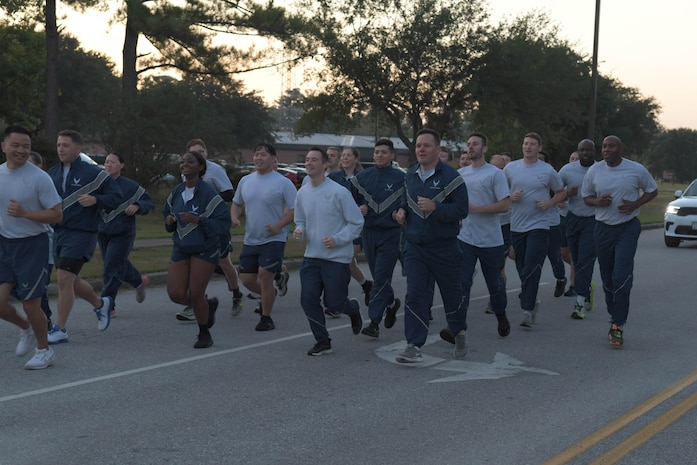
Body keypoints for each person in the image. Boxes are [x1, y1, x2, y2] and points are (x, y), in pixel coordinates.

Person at [393, 128, 469, 363]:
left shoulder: (452, 177)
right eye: (418, 146)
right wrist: (402, 210)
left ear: (438, 149)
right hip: (415, 245)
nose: (421, 149)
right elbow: (405, 199)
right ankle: (414, 345)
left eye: (426, 146)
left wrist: (437, 208)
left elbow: (462, 210)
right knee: (415, 294)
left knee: (452, 295)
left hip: (444, 247)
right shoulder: (410, 175)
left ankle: (459, 331)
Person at [46, 130, 122, 344]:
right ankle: (101, 305)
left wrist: (96, 200)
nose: (61, 149)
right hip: (59, 232)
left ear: (79, 149)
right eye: (59, 145)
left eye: (66, 145)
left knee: (63, 279)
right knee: (72, 280)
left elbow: (116, 196)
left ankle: (59, 329)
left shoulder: (94, 173)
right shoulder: (52, 173)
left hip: (82, 233)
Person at [581, 135, 657, 347]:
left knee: (621, 275)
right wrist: (597, 201)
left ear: (620, 148)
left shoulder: (636, 169)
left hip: (627, 228)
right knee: (608, 278)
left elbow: (652, 190)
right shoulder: (594, 170)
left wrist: (635, 204)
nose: (606, 149)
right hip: (602, 229)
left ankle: (617, 324)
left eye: (611, 146)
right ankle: (615, 313)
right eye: (604, 146)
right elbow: (586, 197)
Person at [0, 126, 63, 369]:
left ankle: (44, 350)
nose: (21, 150)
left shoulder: (39, 178)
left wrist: (26, 213)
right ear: (4, 146)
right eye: (16, 145)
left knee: (30, 303)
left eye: (26, 146)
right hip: (5, 245)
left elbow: (57, 215)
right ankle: (25, 327)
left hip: (33, 246)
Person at [441, 133, 511, 343]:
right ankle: (456, 328)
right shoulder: (459, 174)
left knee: (495, 284)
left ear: (485, 148)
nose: (471, 148)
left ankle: (501, 315)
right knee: (461, 283)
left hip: (491, 240)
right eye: (469, 144)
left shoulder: (495, 174)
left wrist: (476, 209)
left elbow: (504, 205)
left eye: (475, 144)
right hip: (465, 239)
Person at [294, 147, 364, 355]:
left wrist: (338, 239)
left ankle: (351, 309)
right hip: (311, 256)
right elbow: (300, 219)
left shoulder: (339, 192)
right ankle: (323, 340)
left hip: (336, 258)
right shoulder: (303, 192)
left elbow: (356, 222)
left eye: (314, 160)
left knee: (334, 303)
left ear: (325, 165)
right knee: (308, 298)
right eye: (307, 159)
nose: (309, 163)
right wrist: (300, 230)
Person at [164, 151, 231, 348]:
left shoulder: (209, 193)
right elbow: (167, 213)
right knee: (175, 293)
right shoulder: (177, 191)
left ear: (200, 167)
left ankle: (204, 333)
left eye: (190, 162)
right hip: (182, 246)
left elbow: (224, 223)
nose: (184, 164)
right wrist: (170, 222)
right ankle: (206, 306)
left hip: (205, 247)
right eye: (183, 162)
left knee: (195, 293)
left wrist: (200, 220)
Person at [175, 138, 244, 321]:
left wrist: (207, 200)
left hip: (214, 224)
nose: (198, 156)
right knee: (192, 262)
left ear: (206, 153)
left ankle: (237, 294)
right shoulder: (186, 171)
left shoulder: (215, 170)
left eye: (201, 152)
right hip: (194, 226)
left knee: (223, 261)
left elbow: (229, 193)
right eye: (192, 154)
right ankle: (195, 304)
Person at [231, 143, 296, 331]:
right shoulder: (245, 181)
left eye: (263, 155)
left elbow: (295, 210)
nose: (259, 158)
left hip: (274, 238)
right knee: (247, 280)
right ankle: (270, 293)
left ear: (274, 159)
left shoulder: (283, 183)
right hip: (251, 238)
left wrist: (278, 226)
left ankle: (266, 318)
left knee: (264, 276)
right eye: (256, 155)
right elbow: (236, 203)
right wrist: (234, 217)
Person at [503, 133, 565, 329]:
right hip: (517, 224)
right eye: (525, 143)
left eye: (532, 144)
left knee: (532, 265)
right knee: (522, 266)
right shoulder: (510, 168)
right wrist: (510, 196)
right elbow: (500, 191)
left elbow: (561, 192)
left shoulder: (547, 170)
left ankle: (527, 310)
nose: (528, 147)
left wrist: (549, 203)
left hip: (539, 225)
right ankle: (531, 298)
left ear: (539, 148)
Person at [349, 139, 404, 338]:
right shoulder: (362, 177)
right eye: (377, 152)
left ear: (392, 156)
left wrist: (400, 212)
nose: (379, 155)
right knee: (378, 276)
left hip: (390, 233)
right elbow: (349, 203)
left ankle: (374, 321)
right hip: (369, 232)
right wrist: (357, 210)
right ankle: (391, 303)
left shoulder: (401, 178)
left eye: (383, 152)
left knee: (380, 278)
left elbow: (406, 203)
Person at [98, 153, 153, 316]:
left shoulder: (130, 186)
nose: (109, 165)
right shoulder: (99, 184)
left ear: (121, 165)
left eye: (113, 162)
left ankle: (107, 304)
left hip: (123, 232)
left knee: (111, 265)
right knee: (116, 263)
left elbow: (148, 202)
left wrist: (138, 206)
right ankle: (138, 281)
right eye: (106, 162)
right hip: (102, 231)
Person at [328, 146, 372, 317]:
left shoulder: (362, 178)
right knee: (347, 262)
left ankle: (337, 301)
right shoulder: (333, 177)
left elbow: (368, 199)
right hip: (337, 227)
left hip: (355, 228)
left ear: (355, 159)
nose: (345, 158)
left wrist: (364, 207)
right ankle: (366, 285)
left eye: (349, 156)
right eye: (343, 155)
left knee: (344, 262)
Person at [560, 141, 597, 320]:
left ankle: (579, 304)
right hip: (573, 218)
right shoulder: (567, 170)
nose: (585, 153)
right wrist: (567, 194)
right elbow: (555, 191)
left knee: (585, 261)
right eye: (582, 150)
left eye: (588, 150)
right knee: (575, 259)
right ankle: (587, 287)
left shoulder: (601, 169)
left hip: (593, 220)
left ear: (594, 151)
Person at [27, 151, 55, 329]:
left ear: (39, 167)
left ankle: (46, 322)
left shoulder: (45, 184)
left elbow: (55, 214)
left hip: (43, 245)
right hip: (17, 245)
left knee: (39, 287)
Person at [538, 150, 569, 298]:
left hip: (551, 223)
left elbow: (561, 194)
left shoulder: (551, 175)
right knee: (533, 257)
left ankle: (561, 278)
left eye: (541, 159)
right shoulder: (525, 175)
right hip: (533, 223)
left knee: (554, 255)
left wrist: (553, 202)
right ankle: (529, 287)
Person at [559, 151, 580, 297]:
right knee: (563, 253)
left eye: (577, 159)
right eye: (572, 158)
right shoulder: (564, 173)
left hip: (577, 218)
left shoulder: (586, 174)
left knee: (574, 252)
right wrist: (562, 197)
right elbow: (554, 193)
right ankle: (580, 270)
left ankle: (573, 284)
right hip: (562, 218)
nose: (574, 161)